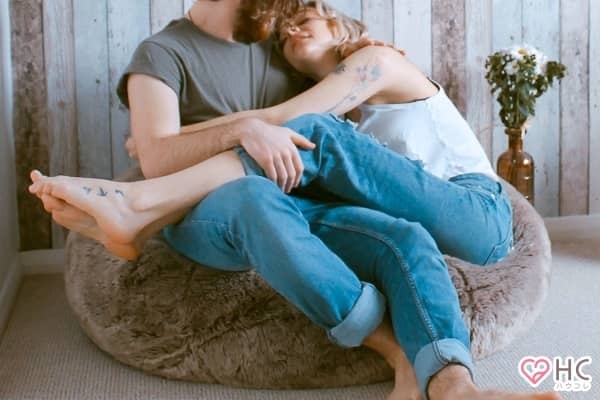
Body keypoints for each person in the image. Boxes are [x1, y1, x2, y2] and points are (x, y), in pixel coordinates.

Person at [29, 1, 561, 400]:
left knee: (402, 233)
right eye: (292, 23)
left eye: (307, 19)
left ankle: (453, 384)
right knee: (259, 192)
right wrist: (226, 134)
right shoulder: (162, 54)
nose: (293, 27)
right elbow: (156, 156)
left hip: (432, 205)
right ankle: (413, 362)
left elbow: (298, 124)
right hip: (224, 205)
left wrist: (238, 128)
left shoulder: (309, 56)